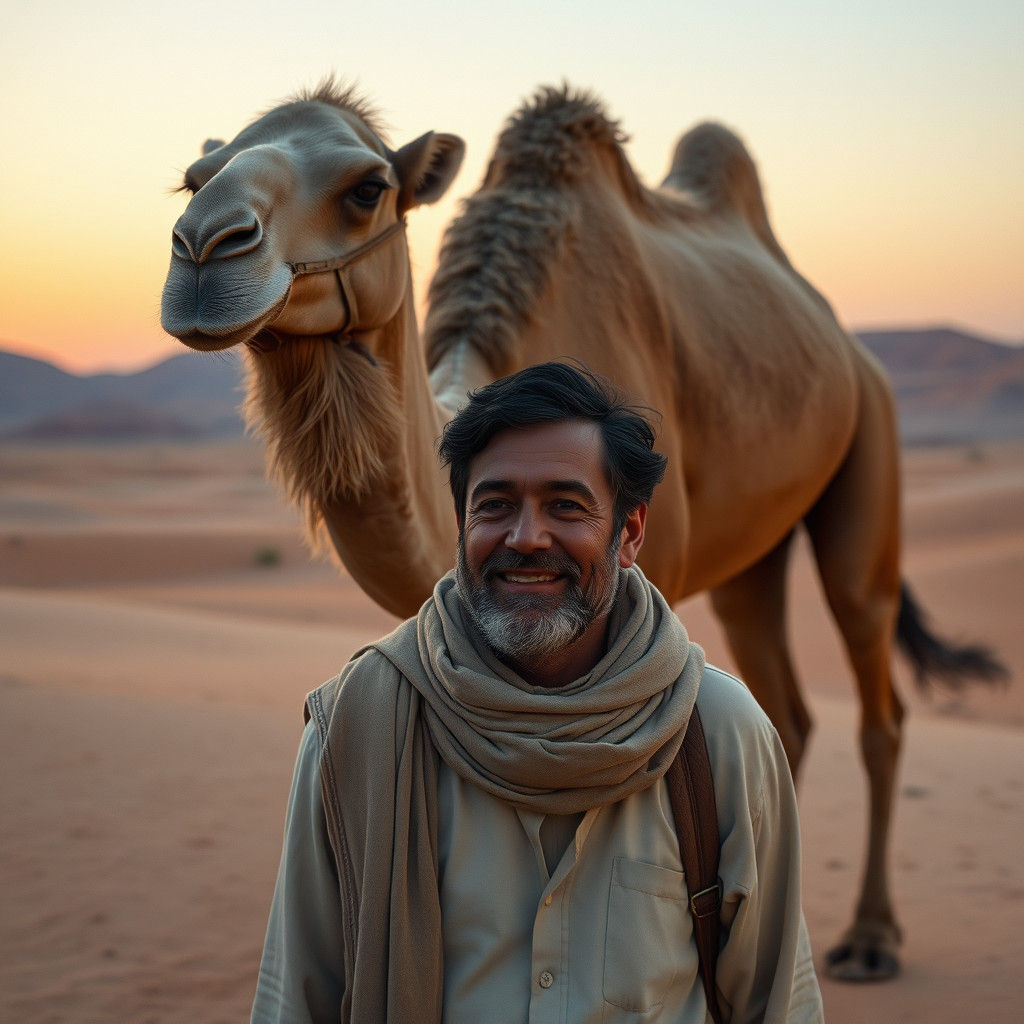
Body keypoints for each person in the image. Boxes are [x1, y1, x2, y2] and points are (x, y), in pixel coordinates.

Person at [251, 362, 825, 1024]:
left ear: (630, 532)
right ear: (461, 523)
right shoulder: (356, 726)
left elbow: (777, 1004)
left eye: (566, 506)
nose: (526, 538)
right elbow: (298, 998)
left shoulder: (720, 733)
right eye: (494, 505)